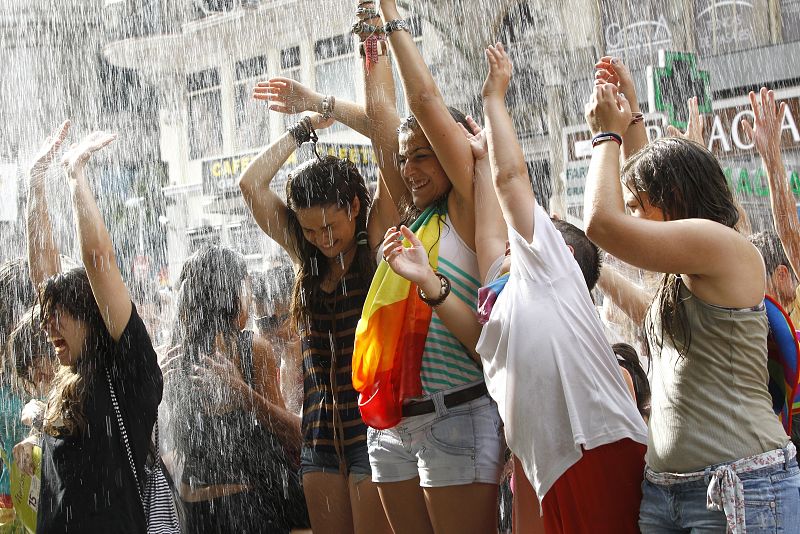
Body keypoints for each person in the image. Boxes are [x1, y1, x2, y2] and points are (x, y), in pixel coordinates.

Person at [382, 42, 647, 533]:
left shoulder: (550, 272)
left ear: (560, 254)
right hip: (548, 465)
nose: (509, 244)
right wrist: (427, 280)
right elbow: (488, 242)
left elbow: (511, 178)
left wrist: (495, 99)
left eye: (522, 244)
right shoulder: (500, 296)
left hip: (599, 449)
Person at [583, 66, 800, 532]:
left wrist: (605, 136)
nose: (632, 218)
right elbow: (650, 191)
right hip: (666, 493)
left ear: (676, 196)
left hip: (741, 489)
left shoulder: (723, 247)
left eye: (637, 207)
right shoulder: (684, 269)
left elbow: (601, 224)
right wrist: (632, 116)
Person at [352, 3, 505, 533]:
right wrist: (371, 44)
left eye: (423, 155)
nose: (409, 169)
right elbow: (382, 119)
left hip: (456, 415)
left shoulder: (468, 207)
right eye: (404, 158)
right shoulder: (413, 216)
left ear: (451, 150)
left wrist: (391, 15)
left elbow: (423, 101)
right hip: (393, 424)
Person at [238, 13, 395, 527]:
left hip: (375, 427)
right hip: (321, 435)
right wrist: (301, 130)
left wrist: (322, 104)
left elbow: (387, 137)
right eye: (309, 230)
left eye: (331, 226)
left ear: (355, 206)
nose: (323, 239)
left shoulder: (375, 240)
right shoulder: (305, 256)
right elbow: (251, 184)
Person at [11, 125, 164, 534]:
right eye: (47, 316)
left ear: (94, 316)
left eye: (60, 315)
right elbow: (44, 271)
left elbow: (99, 260)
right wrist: (36, 182)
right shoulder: (67, 374)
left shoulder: (128, 371)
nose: (47, 326)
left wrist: (75, 176)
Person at [163, 245, 307, 533]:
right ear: (232, 294)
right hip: (246, 507)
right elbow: (294, 435)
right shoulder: (251, 349)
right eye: (246, 288)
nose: (250, 299)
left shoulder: (175, 356)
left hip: (194, 510)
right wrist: (244, 394)